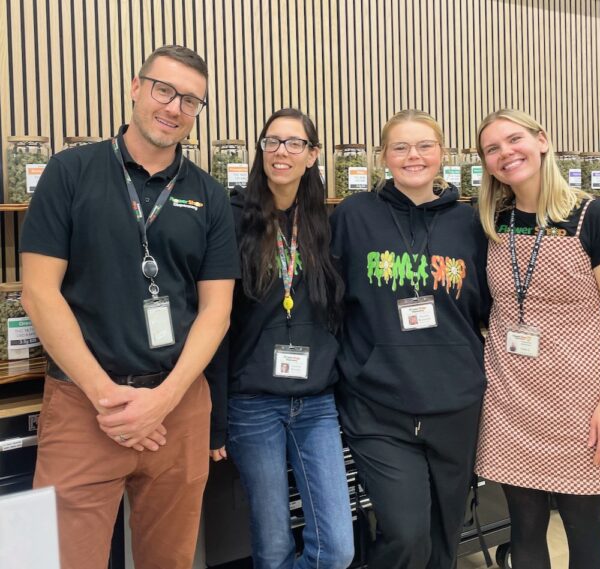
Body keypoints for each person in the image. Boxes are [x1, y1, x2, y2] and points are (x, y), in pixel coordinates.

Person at [20, 45, 239, 569]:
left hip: (178, 406)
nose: (173, 107)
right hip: (83, 406)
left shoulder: (209, 196)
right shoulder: (70, 172)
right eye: (164, 90)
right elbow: (38, 292)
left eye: (191, 100)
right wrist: (108, 398)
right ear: (136, 88)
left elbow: (217, 312)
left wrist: (162, 400)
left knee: (170, 559)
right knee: (60, 559)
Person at [330, 109, 490, 569]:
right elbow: (333, 303)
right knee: (406, 534)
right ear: (384, 157)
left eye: (424, 146)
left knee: (444, 535)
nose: (413, 156)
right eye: (400, 147)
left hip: (455, 402)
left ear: (443, 154)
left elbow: (484, 307)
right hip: (378, 404)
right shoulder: (354, 216)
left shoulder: (470, 224)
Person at [474, 109, 600, 569]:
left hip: (578, 401)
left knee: (583, 532)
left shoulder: (592, 216)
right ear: (485, 163)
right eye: (492, 148)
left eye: (514, 139)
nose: (506, 153)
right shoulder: (491, 221)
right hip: (509, 399)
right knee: (524, 531)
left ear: (542, 140)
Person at [206, 108, 354, 569]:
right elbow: (215, 322)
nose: (281, 152)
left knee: (336, 548)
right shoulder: (230, 219)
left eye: (294, 143)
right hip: (253, 405)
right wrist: (217, 415)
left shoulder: (325, 224)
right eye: (271, 142)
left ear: (312, 155)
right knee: (272, 547)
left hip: (316, 403)